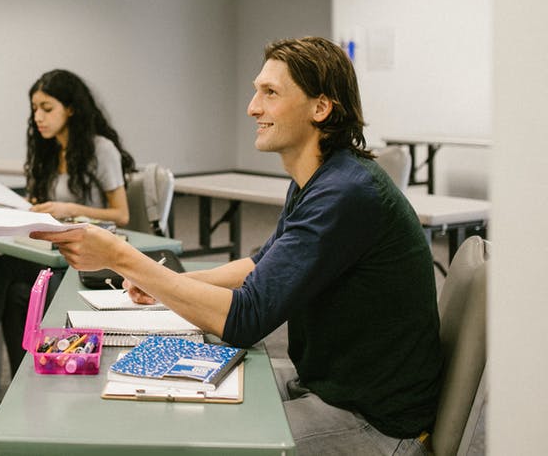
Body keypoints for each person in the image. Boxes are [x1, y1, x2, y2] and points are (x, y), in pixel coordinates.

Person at [37, 37, 442, 455]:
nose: (253, 107)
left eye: (270, 93)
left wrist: (123, 258)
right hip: (331, 387)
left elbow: (246, 319)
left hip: (375, 423)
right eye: (256, 91)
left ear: (320, 108)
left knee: (195, 444)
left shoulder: (344, 192)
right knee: (177, 416)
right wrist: (168, 282)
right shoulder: (323, 179)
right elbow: (258, 266)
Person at [0, 69, 135, 433]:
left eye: (47, 108)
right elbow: (38, 207)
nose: (39, 117)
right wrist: (4, 206)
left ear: (72, 109)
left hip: (87, 264)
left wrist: (69, 211)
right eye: (35, 109)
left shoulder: (100, 149)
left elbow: (122, 214)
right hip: (50, 256)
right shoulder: (49, 151)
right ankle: (22, 394)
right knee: (14, 290)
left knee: (2, 271)